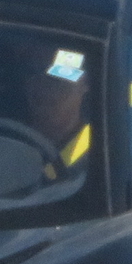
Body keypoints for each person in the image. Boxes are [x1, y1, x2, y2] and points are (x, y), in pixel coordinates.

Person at [23, 46, 94, 181]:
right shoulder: (3, 145)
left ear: (86, 83)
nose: (43, 85)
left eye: (58, 77)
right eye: (33, 72)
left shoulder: (103, 155)